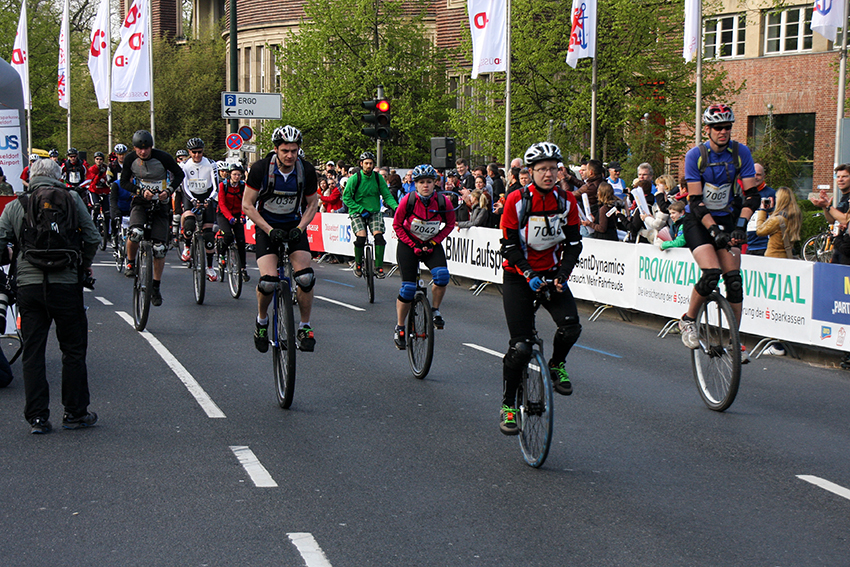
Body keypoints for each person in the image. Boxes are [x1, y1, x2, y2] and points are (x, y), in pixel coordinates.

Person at [0, 157, 100, 434]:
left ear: (30, 176)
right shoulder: (71, 198)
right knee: (73, 350)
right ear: (58, 175)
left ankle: (37, 418)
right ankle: (75, 413)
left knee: (33, 352)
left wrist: (12, 255)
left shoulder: (17, 205)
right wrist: (84, 263)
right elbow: (92, 237)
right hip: (66, 284)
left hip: (29, 287)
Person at [498, 142, 583, 435]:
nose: (549, 174)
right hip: (518, 276)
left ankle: (557, 364)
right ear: (530, 172)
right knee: (520, 347)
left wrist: (563, 274)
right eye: (542, 169)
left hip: (551, 273)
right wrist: (528, 272)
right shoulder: (516, 201)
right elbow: (508, 245)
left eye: (553, 169)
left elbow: (573, 244)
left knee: (571, 326)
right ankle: (509, 405)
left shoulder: (568, 200)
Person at [678, 104, 758, 363]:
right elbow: (696, 201)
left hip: (728, 218)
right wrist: (713, 230)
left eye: (727, 127)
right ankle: (688, 320)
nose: (723, 132)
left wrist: (741, 227)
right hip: (699, 222)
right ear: (708, 129)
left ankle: (734, 338)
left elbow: (752, 195)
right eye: (717, 127)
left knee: (734, 280)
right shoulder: (696, 155)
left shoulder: (740, 152)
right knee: (712, 273)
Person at [244, 125, 319, 353]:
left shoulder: (305, 170)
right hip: (267, 226)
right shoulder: (260, 169)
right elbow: (247, 205)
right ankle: (262, 321)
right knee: (268, 281)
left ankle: (304, 326)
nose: (289, 155)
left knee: (305, 278)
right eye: (285, 150)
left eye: (294, 150)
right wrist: (268, 229)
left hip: (293, 226)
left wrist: (300, 227)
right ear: (276, 149)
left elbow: (313, 203)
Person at [391, 164, 456, 348]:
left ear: (435, 183)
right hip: (408, 245)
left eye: (429, 181)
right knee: (408, 290)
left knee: (442, 276)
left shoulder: (444, 202)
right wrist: (413, 244)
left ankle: (435, 310)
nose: (425, 185)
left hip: (431, 244)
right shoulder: (408, 200)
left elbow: (450, 224)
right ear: (415, 184)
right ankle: (400, 326)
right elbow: (397, 225)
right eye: (421, 182)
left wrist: (434, 242)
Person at [120, 130, 185, 307]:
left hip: (161, 204)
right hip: (140, 201)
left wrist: (169, 191)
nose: (143, 152)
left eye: (146, 148)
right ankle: (130, 263)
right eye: (140, 149)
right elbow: (124, 182)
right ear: (134, 148)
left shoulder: (163, 157)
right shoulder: (130, 160)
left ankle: (155, 287)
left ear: (151, 147)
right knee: (135, 232)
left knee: (160, 248)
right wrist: (140, 191)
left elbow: (179, 174)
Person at [342, 151, 399, 279]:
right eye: (366, 163)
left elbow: (387, 195)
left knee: (379, 237)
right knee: (361, 237)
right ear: (361, 164)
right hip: (357, 211)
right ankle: (358, 264)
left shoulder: (378, 178)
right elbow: (346, 198)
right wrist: (359, 209)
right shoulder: (355, 179)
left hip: (374, 212)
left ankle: (378, 267)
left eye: (371, 163)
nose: (368, 166)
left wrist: (396, 207)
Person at [179, 138, 220, 281]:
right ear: (189, 152)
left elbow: (216, 186)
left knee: (209, 236)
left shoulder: (211, 164)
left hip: (207, 195)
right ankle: (187, 247)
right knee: (189, 224)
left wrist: (210, 199)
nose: (197, 155)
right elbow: (184, 186)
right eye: (194, 152)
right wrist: (192, 200)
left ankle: (209, 267)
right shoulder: (184, 165)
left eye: (200, 152)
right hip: (191, 196)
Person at [810, 164, 850, 263]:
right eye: (838, 176)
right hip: (840, 245)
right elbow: (831, 220)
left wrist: (829, 206)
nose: (840, 179)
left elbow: (846, 220)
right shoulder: (844, 197)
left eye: (845, 176)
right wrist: (824, 206)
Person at [217, 163, 250, 281]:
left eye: (239, 175)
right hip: (223, 214)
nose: (237, 177)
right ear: (230, 174)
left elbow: (245, 202)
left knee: (241, 241)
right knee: (228, 236)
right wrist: (229, 217)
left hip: (237, 213)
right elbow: (221, 203)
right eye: (234, 174)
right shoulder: (223, 185)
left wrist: (242, 215)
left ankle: (243, 268)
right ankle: (221, 254)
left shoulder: (243, 186)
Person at [754, 186, 801, 259]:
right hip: (786, 255)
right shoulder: (793, 216)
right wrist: (771, 211)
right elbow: (779, 226)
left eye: (776, 198)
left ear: (780, 200)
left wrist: (762, 211)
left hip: (773, 256)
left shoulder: (777, 220)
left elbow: (759, 231)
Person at [744, 163, 776, 256]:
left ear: (764, 176)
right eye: (753, 174)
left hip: (764, 245)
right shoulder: (744, 193)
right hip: (747, 244)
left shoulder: (771, 193)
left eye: (758, 174)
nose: (755, 177)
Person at [86, 151, 110, 229]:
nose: (99, 161)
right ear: (95, 160)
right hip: (95, 191)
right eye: (97, 159)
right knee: (96, 207)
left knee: (107, 212)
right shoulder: (92, 169)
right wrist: (99, 175)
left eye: (101, 159)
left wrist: (106, 183)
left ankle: (107, 231)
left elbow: (109, 178)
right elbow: (92, 182)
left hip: (104, 191)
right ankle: (93, 224)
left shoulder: (106, 168)